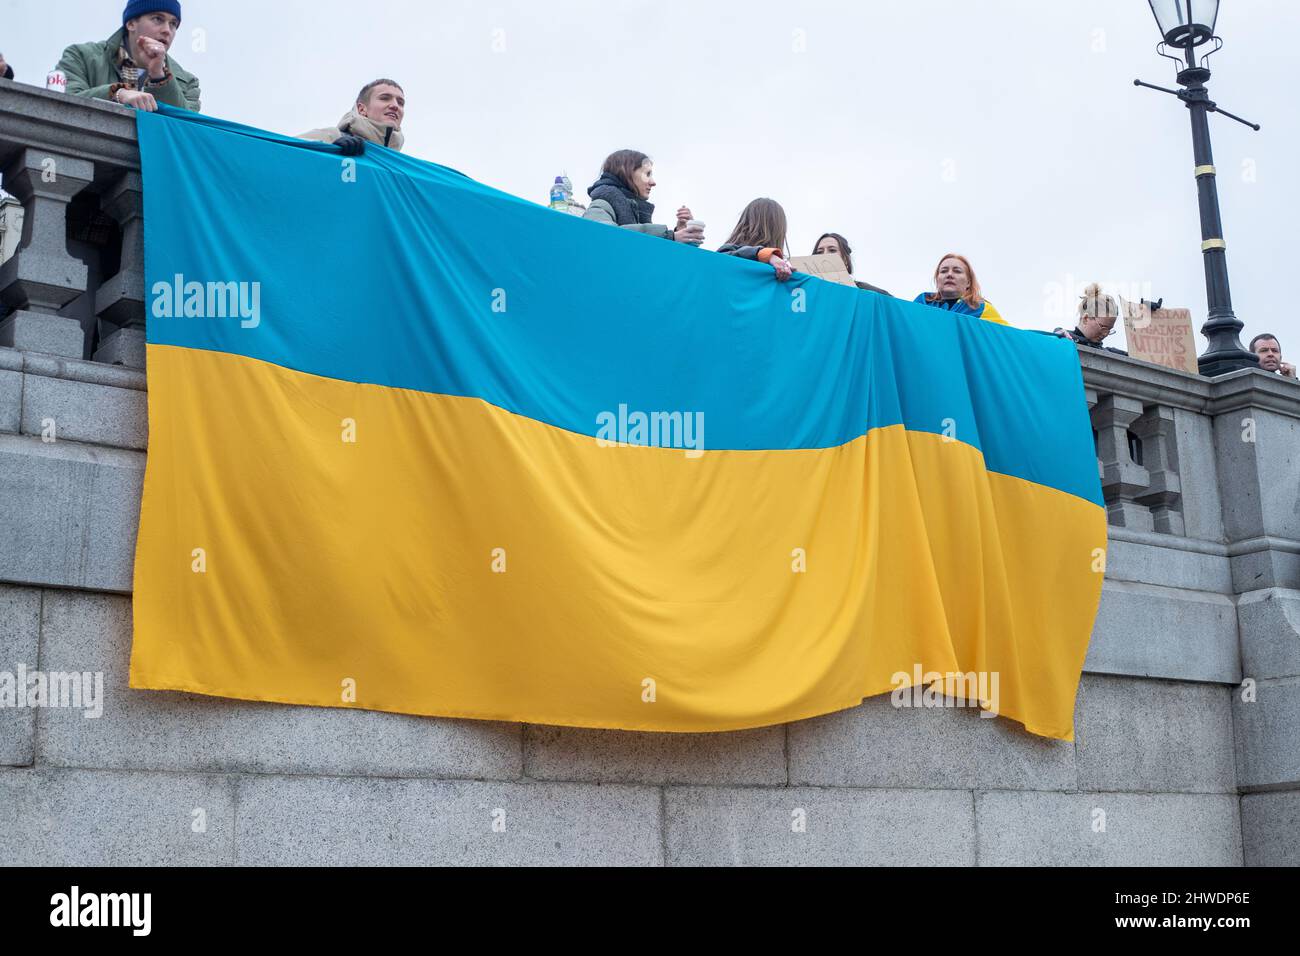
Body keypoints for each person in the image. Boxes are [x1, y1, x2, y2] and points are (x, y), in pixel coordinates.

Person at [55, 2, 201, 112]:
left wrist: (158, 76)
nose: (167, 30)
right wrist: (117, 93)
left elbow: (187, 129)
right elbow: (60, 105)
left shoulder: (188, 82)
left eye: (173, 24)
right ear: (131, 23)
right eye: (158, 19)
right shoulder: (81, 56)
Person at [583, 150, 703, 244]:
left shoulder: (638, 213)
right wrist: (670, 237)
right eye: (647, 174)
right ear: (626, 172)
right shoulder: (601, 204)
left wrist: (681, 233)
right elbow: (604, 236)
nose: (653, 182)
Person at [299, 79, 407, 157]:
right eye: (385, 98)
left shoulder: (404, 166)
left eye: (400, 102)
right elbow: (286, 152)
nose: (395, 105)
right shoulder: (333, 136)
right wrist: (330, 150)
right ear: (361, 109)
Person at [912, 253, 1006, 325]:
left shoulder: (980, 307)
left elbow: (1010, 337)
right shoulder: (923, 301)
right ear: (937, 279)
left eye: (957, 271)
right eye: (944, 271)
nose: (949, 275)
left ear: (968, 282)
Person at [717, 198, 793, 281]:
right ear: (779, 230)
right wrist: (766, 255)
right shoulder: (728, 250)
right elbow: (720, 259)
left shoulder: (781, 271)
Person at [1054, 283, 1127, 354]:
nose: (1105, 334)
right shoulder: (1066, 339)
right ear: (1086, 319)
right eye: (1103, 327)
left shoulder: (1106, 353)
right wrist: (1057, 336)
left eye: (1109, 330)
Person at [812, 232, 889, 295]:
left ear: (845, 259)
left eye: (832, 250)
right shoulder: (805, 293)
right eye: (819, 252)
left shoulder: (871, 293)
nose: (825, 255)